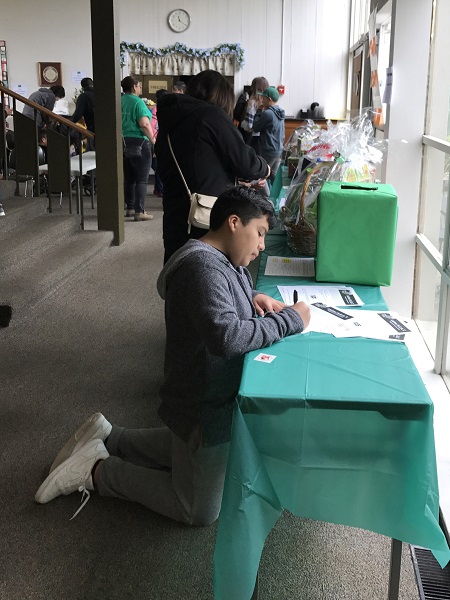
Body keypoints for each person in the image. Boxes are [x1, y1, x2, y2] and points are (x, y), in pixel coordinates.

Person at [34, 186, 311, 525]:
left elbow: (221, 294)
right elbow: (226, 337)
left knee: (198, 451)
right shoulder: (202, 268)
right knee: (197, 509)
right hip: (203, 404)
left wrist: (251, 295)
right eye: (260, 233)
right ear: (234, 223)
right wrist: (290, 320)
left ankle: (109, 436)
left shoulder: (222, 260)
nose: (262, 245)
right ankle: (96, 470)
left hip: (210, 397)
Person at [155, 69, 271, 263]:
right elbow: (246, 163)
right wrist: (264, 168)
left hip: (176, 211)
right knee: (207, 268)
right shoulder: (211, 115)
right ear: (224, 97)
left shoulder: (170, 121)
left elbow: (197, 164)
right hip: (204, 215)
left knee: (178, 266)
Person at [121, 75, 156, 221]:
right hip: (140, 142)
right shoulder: (138, 102)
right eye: (139, 86)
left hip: (122, 142)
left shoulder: (119, 101)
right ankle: (139, 211)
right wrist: (153, 141)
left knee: (129, 178)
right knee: (141, 179)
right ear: (134, 87)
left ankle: (129, 208)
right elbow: (144, 124)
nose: (140, 88)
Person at [252, 86, 285, 188]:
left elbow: (255, 128)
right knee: (273, 176)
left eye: (264, 98)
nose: (262, 100)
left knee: (261, 176)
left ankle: (266, 196)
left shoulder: (268, 113)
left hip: (268, 150)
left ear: (269, 99)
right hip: (278, 150)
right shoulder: (281, 112)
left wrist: (258, 111)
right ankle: (274, 196)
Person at [234, 76, 269, 145]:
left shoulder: (247, 97)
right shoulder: (267, 101)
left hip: (246, 133)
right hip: (262, 135)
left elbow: (237, 115)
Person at [71, 77, 95, 150]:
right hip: (105, 127)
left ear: (82, 87)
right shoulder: (100, 94)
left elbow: (78, 114)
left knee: (92, 150)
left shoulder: (84, 96)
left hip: (92, 127)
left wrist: (69, 122)